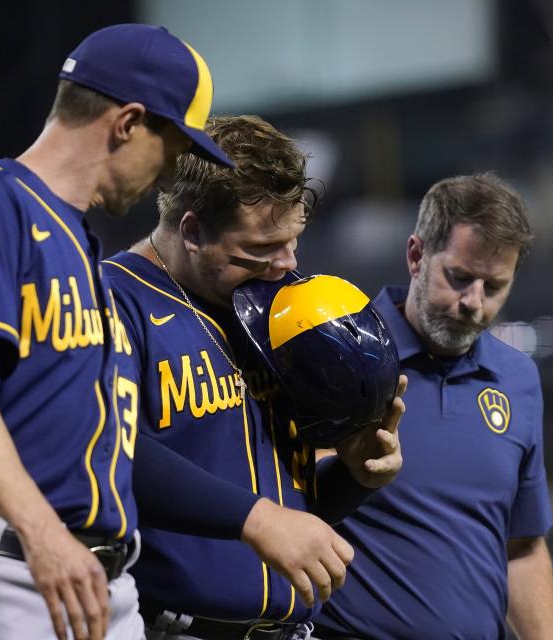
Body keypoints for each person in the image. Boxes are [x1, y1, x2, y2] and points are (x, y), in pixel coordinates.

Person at [0, 24, 232, 640]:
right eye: (173, 147)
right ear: (128, 122)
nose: (169, 175)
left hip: (98, 578)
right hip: (6, 561)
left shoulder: (82, 248)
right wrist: (43, 532)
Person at [100, 114, 405, 640]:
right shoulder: (113, 300)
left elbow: (289, 511)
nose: (286, 265)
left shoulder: (273, 310)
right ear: (192, 230)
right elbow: (106, 448)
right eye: (262, 249)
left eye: (293, 240)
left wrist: (354, 475)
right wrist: (257, 517)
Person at [315, 174, 553, 639]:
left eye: (494, 287)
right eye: (460, 277)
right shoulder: (337, 355)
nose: (473, 302)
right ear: (416, 255)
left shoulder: (518, 380)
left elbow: (524, 547)